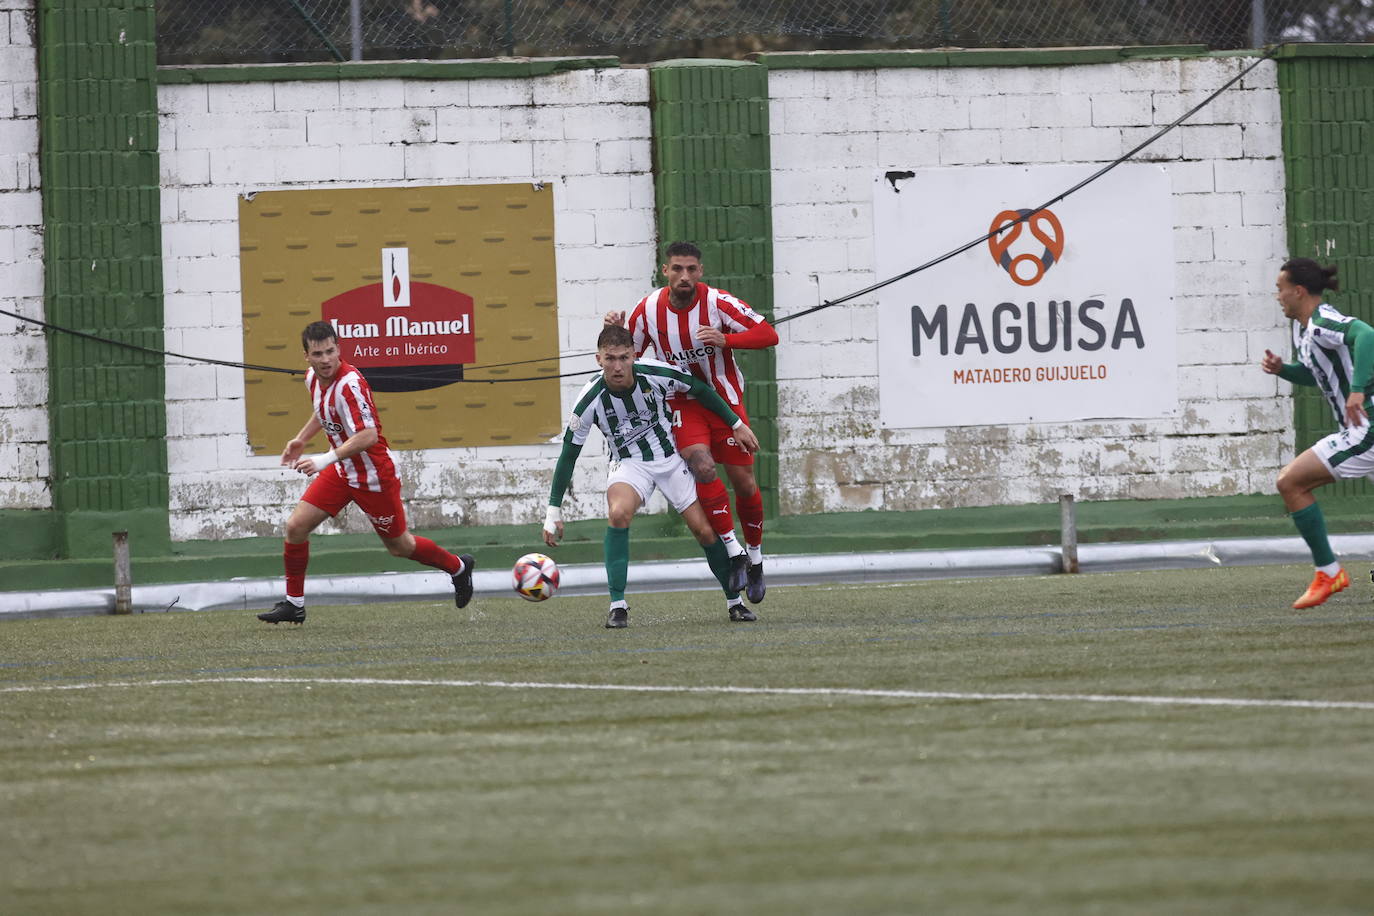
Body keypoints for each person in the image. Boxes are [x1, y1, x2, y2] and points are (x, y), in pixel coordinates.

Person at [542, 325, 762, 628]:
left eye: (623, 358)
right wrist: (553, 510)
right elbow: (569, 453)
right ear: (598, 359)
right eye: (610, 359)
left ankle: (734, 603)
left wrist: (735, 423)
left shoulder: (655, 372)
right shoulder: (589, 399)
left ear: (634, 355)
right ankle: (617, 606)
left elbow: (700, 390)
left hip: (670, 459)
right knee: (618, 514)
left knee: (704, 531)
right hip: (630, 464)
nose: (617, 367)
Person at [257, 320, 475, 624]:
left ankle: (459, 568)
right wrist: (301, 439)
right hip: (343, 471)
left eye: (330, 351)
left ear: (339, 349)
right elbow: (325, 412)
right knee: (296, 527)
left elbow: (369, 435)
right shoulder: (312, 379)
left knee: (401, 546)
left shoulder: (351, 384)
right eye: (318, 354)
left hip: (373, 476)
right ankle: (295, 604)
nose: (325, 359)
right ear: (306, 356)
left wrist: (322, 460)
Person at [604, 241, 779, 607]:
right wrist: (614, 330)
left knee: (744, 484)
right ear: (664, 271)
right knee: (701, 466)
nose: (684, 276)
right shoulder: (648, 309)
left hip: (725, 401)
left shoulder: (718, 303)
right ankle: (735, 554)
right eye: (677, 269)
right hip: (683, 401)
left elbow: (768, 334)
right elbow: (623, 356)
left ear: (700, 272)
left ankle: (757, 558)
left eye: (691, 270)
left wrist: (726, 338)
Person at [1261, 258, 1371, 609]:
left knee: (1290, 482)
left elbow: (1366, 334)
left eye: (1280, 290)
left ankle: (1329, 572)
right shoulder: (1304, 330)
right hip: (1358, 428)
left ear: (1299, 291)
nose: (1278, 297)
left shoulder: (1323, 321)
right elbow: (1314, 374)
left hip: (1365, 431)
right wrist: (1284, 371)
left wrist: (1356, 390)